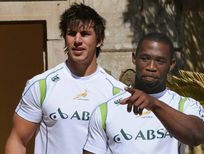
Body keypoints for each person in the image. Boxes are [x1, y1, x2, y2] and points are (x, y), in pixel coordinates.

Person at [5, 3, 126, 154]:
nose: (77, 40)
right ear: (64, 37)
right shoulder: (41, 85)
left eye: (85, 34)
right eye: (71, 33)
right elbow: (18, 140)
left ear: (99, 40)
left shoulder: (117, 92)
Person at [83, 32, 204, 154]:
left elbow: (197, 136)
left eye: (160, 61)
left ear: (171, 64)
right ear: (134, 58)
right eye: (145, 58)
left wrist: (154, 104)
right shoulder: (106, 110)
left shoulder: (185, 105)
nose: (151, 67)